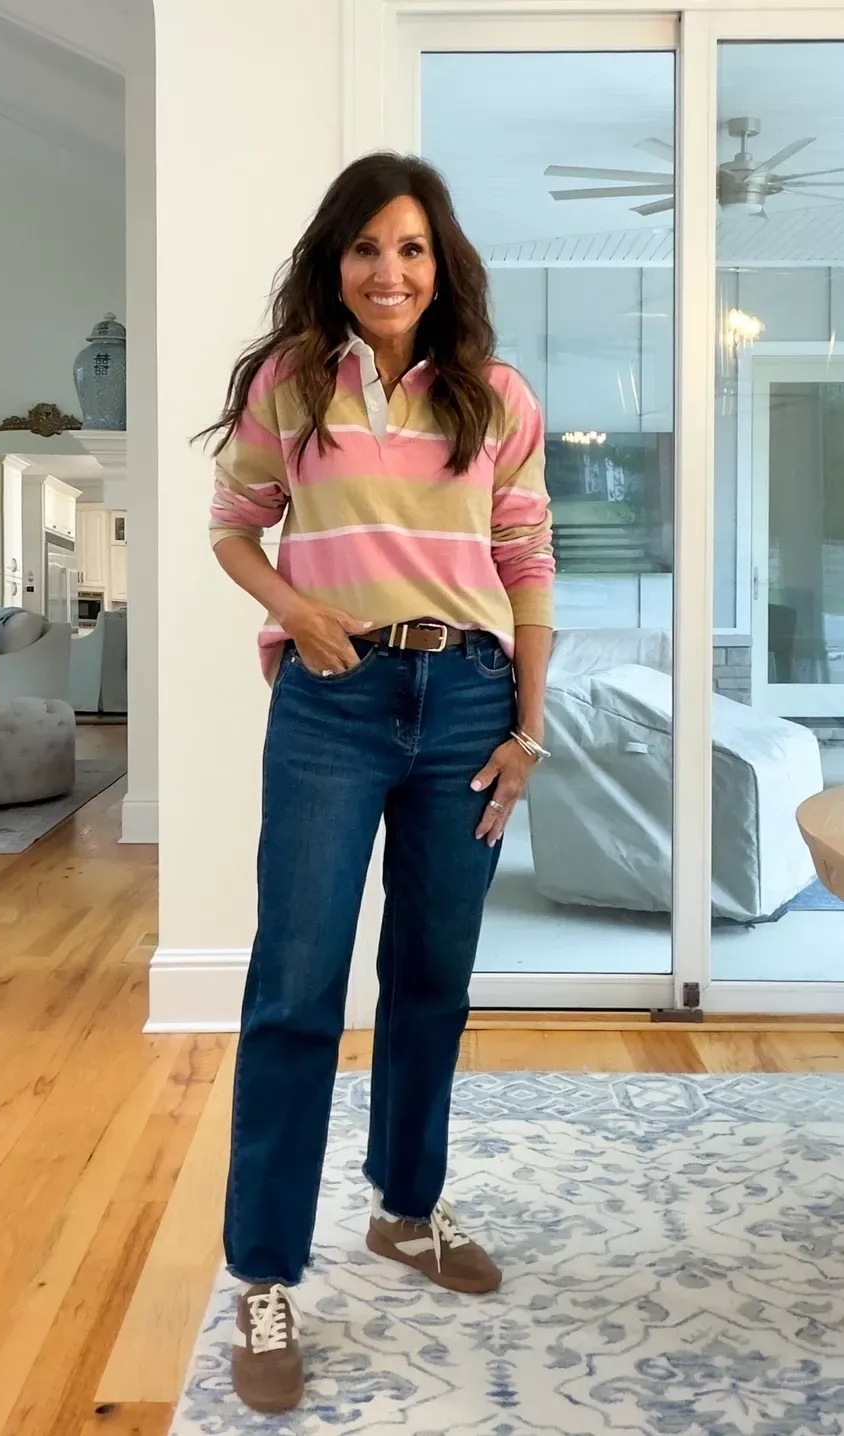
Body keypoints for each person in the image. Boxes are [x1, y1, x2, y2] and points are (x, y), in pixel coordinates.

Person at [204, 151, 554, 1415]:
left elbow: (526, 566)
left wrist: (528, 728)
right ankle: (263, 1271)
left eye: (409, 248)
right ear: (334, 261)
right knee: (295, 984)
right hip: (333, 703)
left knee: (430, 978)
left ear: (438, 260)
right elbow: (233, 524)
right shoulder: (290, 383)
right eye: (364, 249)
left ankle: (406, 1210)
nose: (388, 271)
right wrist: (297, 611)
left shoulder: (495, 395)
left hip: (467, 700)